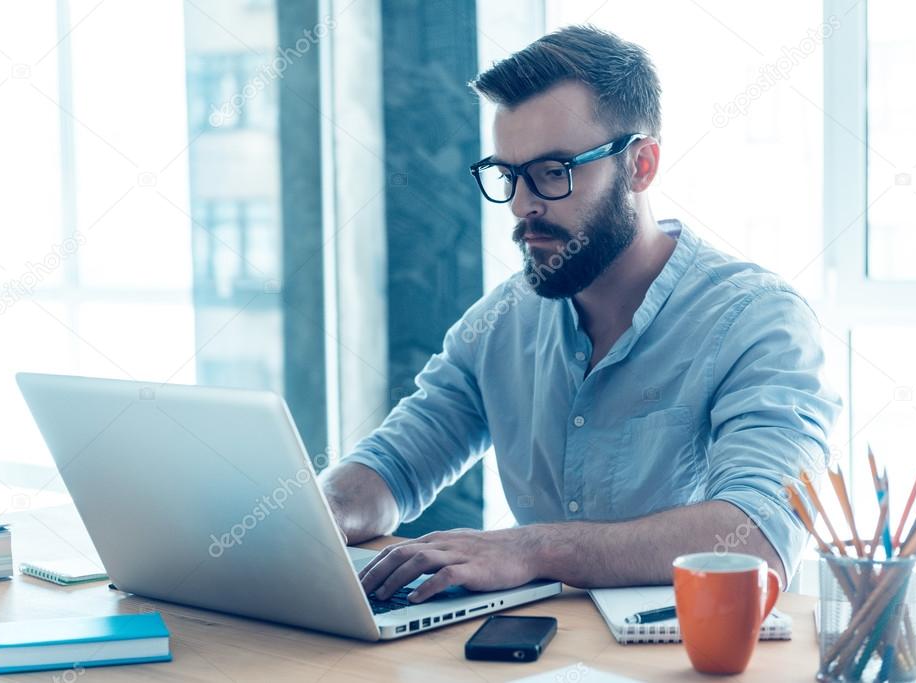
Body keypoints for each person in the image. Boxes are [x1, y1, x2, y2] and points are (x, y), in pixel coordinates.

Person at [319, 25, 842, 604]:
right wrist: (316, 518)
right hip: (539, 654)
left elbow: (758, 538)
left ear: (640, 166)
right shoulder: (500, 323)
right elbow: (395, 466)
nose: (522, 205)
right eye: (508, 175)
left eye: (552, 172)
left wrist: (529, 548)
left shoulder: (759, 321)